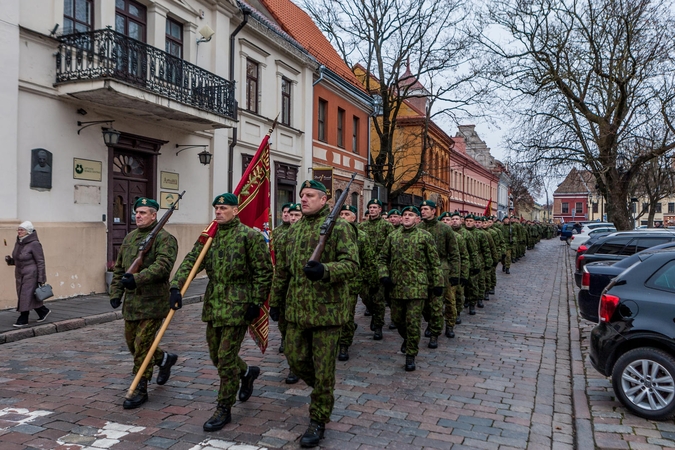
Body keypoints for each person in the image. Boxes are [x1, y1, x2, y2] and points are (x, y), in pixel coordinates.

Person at [170, 193, 272, 431]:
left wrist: (256, 301)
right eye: (216, 208)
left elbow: (263, 271)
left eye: (223, 208)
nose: (218, 211)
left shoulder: (249, 236)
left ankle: (224, 407)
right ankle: (247, 372)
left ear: (235, 211)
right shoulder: (209, 235)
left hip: (238, 305)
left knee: (225, 359)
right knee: (216, 356)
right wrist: (176, 286)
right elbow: (191, 261)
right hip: (214, 304)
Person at [269, 180, 358, 448]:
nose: (304, 199)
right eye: (302, 195)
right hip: (296, 311)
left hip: (327, 313)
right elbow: (282, 270)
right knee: (295, 360)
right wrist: (275, 302)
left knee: (323, 369)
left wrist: (325, 271)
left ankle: (318, 417)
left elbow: (352, 265)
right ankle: (323, 392)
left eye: (310, 195)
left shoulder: (340, 227)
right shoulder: (293, 231)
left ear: (324, 200)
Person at [109, 198, 179, 410]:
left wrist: (137, 279)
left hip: (153, 303)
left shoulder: (165, 239)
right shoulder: (130, 238)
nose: (138, 216)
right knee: (132, 344)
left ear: (154, 215)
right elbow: (121, 268)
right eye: (136, 212)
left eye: (143, 213)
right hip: (131, 304)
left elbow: (163, 267)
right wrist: (116, 292)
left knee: (142, 346)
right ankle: (164, 359)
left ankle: (140, 387)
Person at [378, 206, 443, 371]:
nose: (407, 217)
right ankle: (407, 340)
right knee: (398, 320)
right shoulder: (393, 236)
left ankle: (411, 354)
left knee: (413, 322)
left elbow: (434, 263)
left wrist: (438, 284)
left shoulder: (425, 237)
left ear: (417, 219)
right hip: (396, 287)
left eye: (411, 215)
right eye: (404, 214)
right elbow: (383, 258)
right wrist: (384, 275)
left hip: (417, 287)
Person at [337, 204, 377, 361]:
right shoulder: (331, 234)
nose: (343, 217)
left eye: (347, 214)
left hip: (352, 283)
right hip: (334, 282)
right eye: (341, 214)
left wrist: (373, 281)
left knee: (347, 315)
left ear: (354, 217)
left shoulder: (361, 236)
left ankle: (344, 344)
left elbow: (368, 261)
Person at [418, 200, 460, 347]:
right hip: (423, 271)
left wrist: (455, 274)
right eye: (421, 209)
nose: (422, 211)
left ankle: (448, 325)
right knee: (425, 304)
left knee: (447, 301)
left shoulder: (445, 229)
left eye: (426, 209)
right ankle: (431, 323)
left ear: (433, 211)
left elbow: (454, 253)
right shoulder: (419, 228)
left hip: (443, 270)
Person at [273, 202, 302, 384]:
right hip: (285, 289)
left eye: (296, 215)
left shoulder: (311, 234)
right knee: (287, 328)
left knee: (299, 334)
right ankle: (292, 360)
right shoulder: (280, 234)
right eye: (290, 214)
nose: (292, 218)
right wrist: (275, 300)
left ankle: (296, 367)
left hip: (306, 293)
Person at [359, 199, 394, 340]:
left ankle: (378, 326)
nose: (372, 209)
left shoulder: (387, 226)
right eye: (370, 207)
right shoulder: (363, 227)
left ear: (380, 209)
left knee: (379, 299)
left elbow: (391, 247)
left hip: (380, 267)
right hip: (365, 268)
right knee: (365, 296)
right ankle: (374, 314)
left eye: (375, 207)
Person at [5, 221, 50, 327]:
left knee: (25, 295)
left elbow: (40, 261)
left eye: (22, 230)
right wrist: (10, 260)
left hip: (31, 274)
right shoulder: (19, 242)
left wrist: (41, 277)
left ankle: (23, 318)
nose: (19, 232)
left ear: (28, 231)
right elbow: (18, 259)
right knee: (27, 295)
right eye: (18, 229)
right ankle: (43, 311)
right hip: (19, 273)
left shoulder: (35, 244)